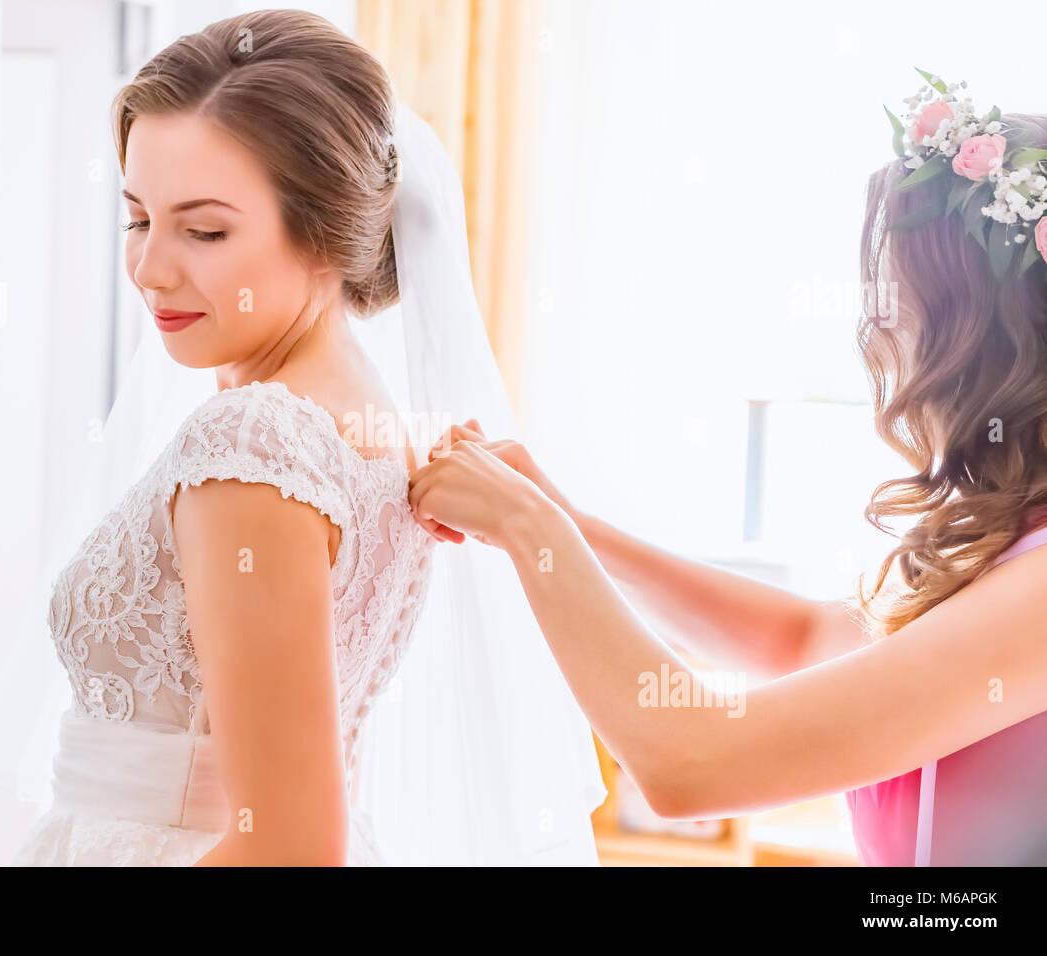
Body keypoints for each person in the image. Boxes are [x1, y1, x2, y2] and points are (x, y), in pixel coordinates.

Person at [0, 8, 605, 867]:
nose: (151, 267)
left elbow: (288, 851)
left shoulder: (254, 445)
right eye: (138, 217)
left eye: (204, 230)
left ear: (324, 229)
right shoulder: (368, 421)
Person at [408, 75, 1047, 866]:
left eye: (902, 297)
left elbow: (691, 762)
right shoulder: (1017, 544)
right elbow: (804, 639)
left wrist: (530, 532)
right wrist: (574, 525)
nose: (878, 323)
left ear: (980, 332)